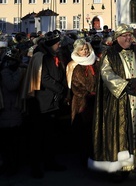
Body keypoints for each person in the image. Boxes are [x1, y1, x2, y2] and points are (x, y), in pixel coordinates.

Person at [88, 24, 136, 175]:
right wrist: (124, 86)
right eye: (124, 36)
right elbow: (106, 73)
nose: (128, 38)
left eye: (130, 35)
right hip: (119, 100)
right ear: (117, 38)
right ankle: (120, 165)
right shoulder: (110, 54)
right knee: (121, 131)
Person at [23, 30, 68, 178]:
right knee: (38, 137)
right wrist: (60, 88)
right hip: (41, 102)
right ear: (51, 44)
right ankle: (36, 166)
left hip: (53, 101)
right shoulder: (40, 56)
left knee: (50, 135)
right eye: (57, 43)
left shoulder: (53, 56)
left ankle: (50, 162)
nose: (59, 45)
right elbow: (43, 78)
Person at [66, 38, 99, 165]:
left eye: (86, 49)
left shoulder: (96, 62)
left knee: (94, 130)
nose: (85, 51)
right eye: (82, 50)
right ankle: (83, 157)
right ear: (77, 51)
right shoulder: (74, 65)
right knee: (83, 130)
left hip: (95, 100)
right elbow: (74, 86)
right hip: (82, 102)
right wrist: (88, 92)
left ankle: (94, 154)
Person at [0, 47, 26, 176]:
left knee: (13, 142)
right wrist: (19, 72)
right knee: (8, 142)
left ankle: (12, 164)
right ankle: (9, 164)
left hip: (13, 110)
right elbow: (11, 86)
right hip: (7, 109)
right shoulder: (6, 72)